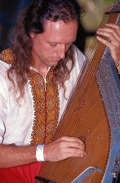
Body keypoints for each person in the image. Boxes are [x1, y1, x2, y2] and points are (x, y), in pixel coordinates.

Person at [0, 0, 120, 182]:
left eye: (68, 43)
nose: (62, 54)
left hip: (63, 171)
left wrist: (117, 63)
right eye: (53, 44)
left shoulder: (73, 59)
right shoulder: (2, 75)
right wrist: (45, 152)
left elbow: (104, 104)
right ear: (31, 33)